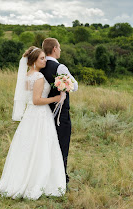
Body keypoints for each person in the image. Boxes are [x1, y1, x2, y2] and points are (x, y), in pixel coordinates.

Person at [0, 46, 66, 200]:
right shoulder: (39, 77)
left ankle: (21, 177)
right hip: (39, 115)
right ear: (33, 61)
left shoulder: (27, 76)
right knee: (41, 146)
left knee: (28, 146)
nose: (44, 60)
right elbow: (36, 100)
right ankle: (39, 180)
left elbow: (29, 99)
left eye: (44, 57)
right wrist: (56, 98)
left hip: (29, 115)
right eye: (41, 58)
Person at [40, 38, 78, 185]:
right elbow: (74, 86)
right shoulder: (60, 67)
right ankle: (60, 178)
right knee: (61, 144)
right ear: (55, 49)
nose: (60, 50)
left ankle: (46, 176)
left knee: (46, 144)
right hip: (60, 114)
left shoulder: (39, 65)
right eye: (59, 47)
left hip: (43, 111)